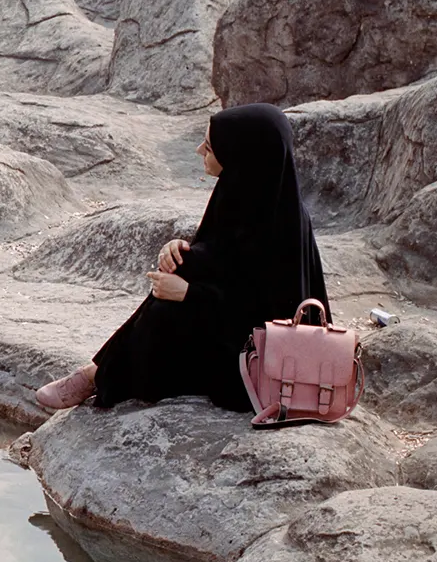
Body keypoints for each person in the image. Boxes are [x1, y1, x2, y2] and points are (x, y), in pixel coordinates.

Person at [35, 103, 328, 413]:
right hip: (229, 332)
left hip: (261, 361)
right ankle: (99, 373)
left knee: (165, 313)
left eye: (211, 146)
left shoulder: (283, 228)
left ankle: (99, 375)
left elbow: (262, 314)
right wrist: (180, 250)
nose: (200, 150)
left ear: (241, 155)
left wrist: (189, 294)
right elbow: (223, 261)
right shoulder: (243, 192)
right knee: (180, 273)